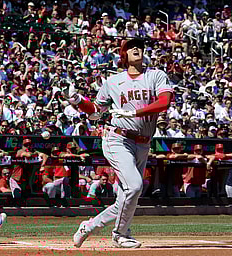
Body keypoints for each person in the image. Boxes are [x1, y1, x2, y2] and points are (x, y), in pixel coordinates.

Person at [67, 38, 173, 248]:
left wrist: (135, 112)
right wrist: (79, 101)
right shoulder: (113, 82)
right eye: (131, 47)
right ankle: (120, 234)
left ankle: (88, 227)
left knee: (126, 197)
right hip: (118, 138)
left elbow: (164, 102)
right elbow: (96, 112)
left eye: (139, 46)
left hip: (143, 142)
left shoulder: (156, 75)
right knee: (134, 186)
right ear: (123, 55)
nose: (137, 49)